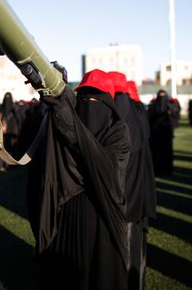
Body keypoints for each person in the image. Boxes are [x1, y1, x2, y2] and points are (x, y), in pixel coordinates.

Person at [28, 69, 131, 290]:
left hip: (104, 217)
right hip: (67, 216)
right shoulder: (68, 120)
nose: (89, 105)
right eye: (84, 99)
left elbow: (103, 165)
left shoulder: (119, 132)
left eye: (96, 99)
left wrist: (66, 116)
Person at [110, 72, 156, 290]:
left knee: (127, 244)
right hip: (140, 190)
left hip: (127, 193)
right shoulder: (138, 112)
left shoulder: (122, 115)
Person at [148, 90, 174, 176]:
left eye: (164, 96)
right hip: (156, 133)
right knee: (156, 153)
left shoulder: (169, 106)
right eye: (160, 96)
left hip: (166, 133)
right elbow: (150, 119)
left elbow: (173, 120)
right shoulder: (153, 106)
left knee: (166, 152)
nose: (162, 99)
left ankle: (167, 170)